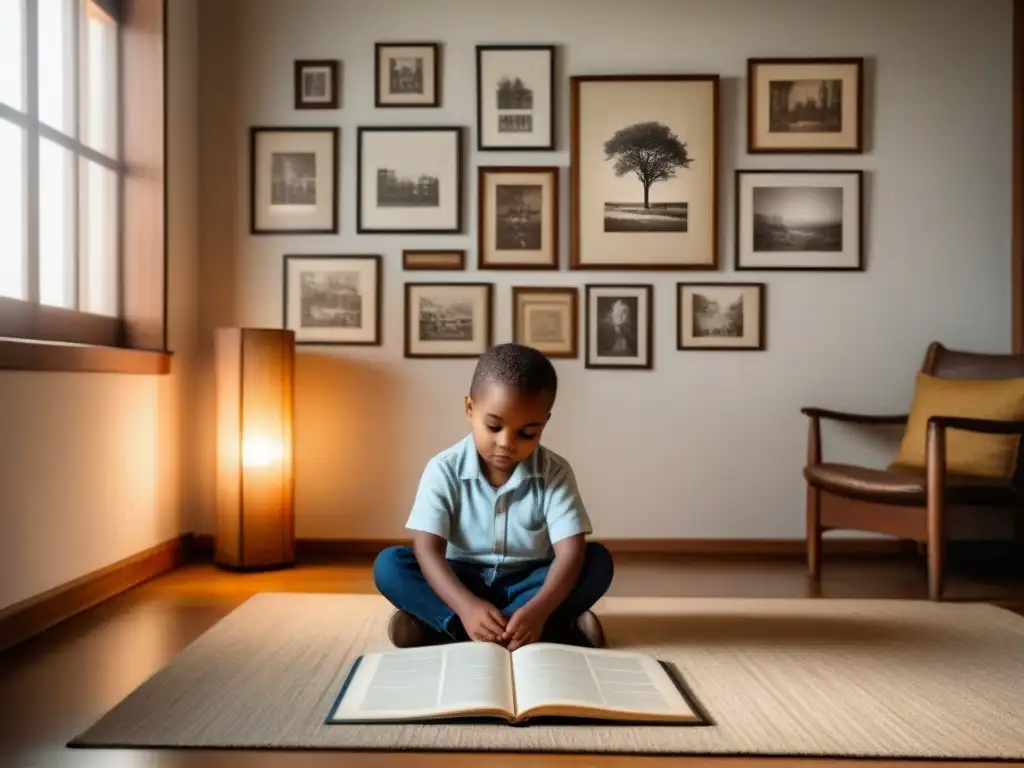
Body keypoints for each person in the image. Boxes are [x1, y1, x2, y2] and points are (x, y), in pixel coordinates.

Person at [373, 342, 614, 651]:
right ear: (470, 409)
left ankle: (458, 629)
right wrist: (466, 606)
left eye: (527, 433)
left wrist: (537, 610)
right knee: (390, 565)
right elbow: (427, 551)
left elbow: (570, 553)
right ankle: (539, 629)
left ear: (544, 423)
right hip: (461, 581)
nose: (506, 443)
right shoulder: (443, 469)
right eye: (494, 426)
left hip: (528, 584)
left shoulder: (555, 472)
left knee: (597, 561)